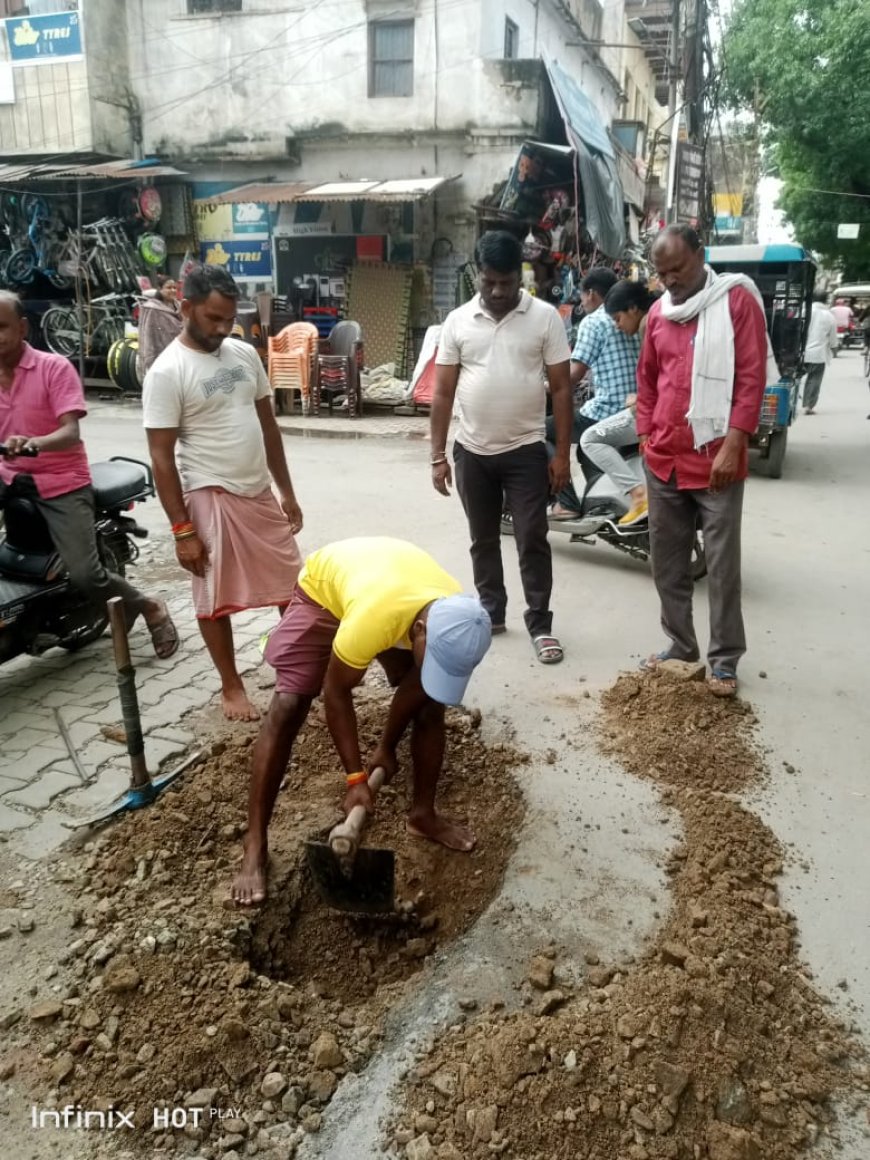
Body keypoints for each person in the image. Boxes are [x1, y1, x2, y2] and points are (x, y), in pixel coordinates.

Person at [230, 537, 492, 906]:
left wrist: (385, 749)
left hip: (389, 589)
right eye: (432, 657)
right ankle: (255, 842)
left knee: (430, 706)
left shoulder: (458, 618)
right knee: (289, 705)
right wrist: (355, 778)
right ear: (419, 631)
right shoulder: (375, 619)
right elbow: (335, 692)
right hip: (325, 590)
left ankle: (422, 815)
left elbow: (421, 685)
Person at [143, 264, 303, 721]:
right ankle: (231, 686)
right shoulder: (168, 372)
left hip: (258, 492)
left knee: (294, 588)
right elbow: (161, 458)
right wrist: (181, 530)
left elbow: (268, 427)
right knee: (213, 598)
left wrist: (286, 492)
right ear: (186, 307)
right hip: (209, 495)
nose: (221, 328)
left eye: (228, 319)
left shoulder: (243, 354)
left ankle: (299, 666)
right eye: (212, 318)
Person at [0, 290, 177, 657]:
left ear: (22, 327)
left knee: (86, 574)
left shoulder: (53, 368)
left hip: (60, 480)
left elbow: (70, 432)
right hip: (9, 476)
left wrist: (34, 442)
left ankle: (149, 606)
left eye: (1, 327)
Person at [636, 225, 769, 698]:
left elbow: (751, 378)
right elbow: (648, 381)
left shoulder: (736, 302)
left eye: (678, 268)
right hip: (665, 460)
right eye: (662, 273)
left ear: (700, 254)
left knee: (721, 565)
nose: (670, 279)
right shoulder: (656, 314)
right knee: (666, 562)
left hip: (717, 461)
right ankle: (680, 645)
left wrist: (736, 443)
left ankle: (725, 659)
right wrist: (646, 436)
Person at [430, 230, 572, 665]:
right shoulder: (456, 321)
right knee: (483, 539)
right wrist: (437, 455)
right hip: (472, 452)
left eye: (505, 283)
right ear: (479, 274)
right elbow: (442, 393)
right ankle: (492, 612)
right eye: (488, 281)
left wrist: (562, 454)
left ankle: (541, 623)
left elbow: (562, 388)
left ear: (519, 276)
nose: (496, 291)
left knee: (532, 536)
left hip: (527, 449)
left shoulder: (545, 317)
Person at [549, 267, 643, 518]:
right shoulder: (636, 316)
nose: (581, 301)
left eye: (581, 295)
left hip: (612, 410)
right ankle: (605, 500)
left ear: (590, 293)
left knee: (540, 431)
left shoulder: (595, 320)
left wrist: (546, 386)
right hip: (634, 406)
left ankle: (567, 503)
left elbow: (572, 376)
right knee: (583, 447)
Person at [578, 280, 657, 526]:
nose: (617, 325)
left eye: (618, 317)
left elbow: (663, 373)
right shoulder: (655, 320)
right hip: (649, 407)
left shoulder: (649, 325)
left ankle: (638, 495)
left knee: (589, 439)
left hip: (649, 412)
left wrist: (641, 399)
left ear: (633, 309)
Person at [801, 290, 838, 415]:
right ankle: (808, 406)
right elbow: (833, 338)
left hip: (800, 352)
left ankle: (792, 402)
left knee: (794, 379)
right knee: (814, 379)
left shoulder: (804, 311)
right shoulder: (829, 316)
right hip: (818, 354)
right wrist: (834, 349)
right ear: (825, 300)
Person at [138, 275, 182, 377]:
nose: (173, 290)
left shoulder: (180, 306)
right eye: (168, 288)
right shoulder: (151, 309)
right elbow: (147, 336)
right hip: (161, 356)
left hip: (180, 355)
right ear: (159, 289)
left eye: (174, 288)